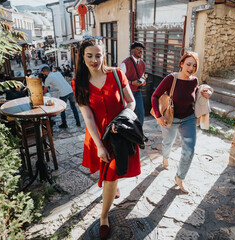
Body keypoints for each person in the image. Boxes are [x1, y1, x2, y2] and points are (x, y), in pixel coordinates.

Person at [73, 38, 141, 239]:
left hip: (119, 134)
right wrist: (99, 145)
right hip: (98, 135)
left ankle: (103, 217)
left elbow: (131, 102)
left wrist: (122, 119)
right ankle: (113, 188)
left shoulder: (117, 74)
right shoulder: (79, 82)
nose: (94, 60)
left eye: (98, 55)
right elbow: (87, 117)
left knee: (111, 175)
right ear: (83, 57)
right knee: (108, 169)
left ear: (104, 55)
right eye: (89, 56)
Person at [151, 51, 211, 194]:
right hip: (170, 119)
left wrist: (205, 94)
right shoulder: (171, 79)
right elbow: (155, 96)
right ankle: (165, 158)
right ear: (182, 64)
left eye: (194, 66)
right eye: (188, 64)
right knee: (168, 143)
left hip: (188, 119)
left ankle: (179, 178)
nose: (190, 68)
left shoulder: (195, 81)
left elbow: (194, 97)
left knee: (189, 151)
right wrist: (159, 116)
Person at [120, 42, 146, 125]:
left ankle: (140, 133)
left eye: (142, 49)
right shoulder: (125, 64)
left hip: (137, 92)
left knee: (141, 112)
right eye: (138, 49)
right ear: (132, 51)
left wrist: (142, 81)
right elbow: (119, 80)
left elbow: (142, 76)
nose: (140, 51)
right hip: (126, 93)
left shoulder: (143, 64)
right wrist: (132, 82)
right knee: (127, 114)